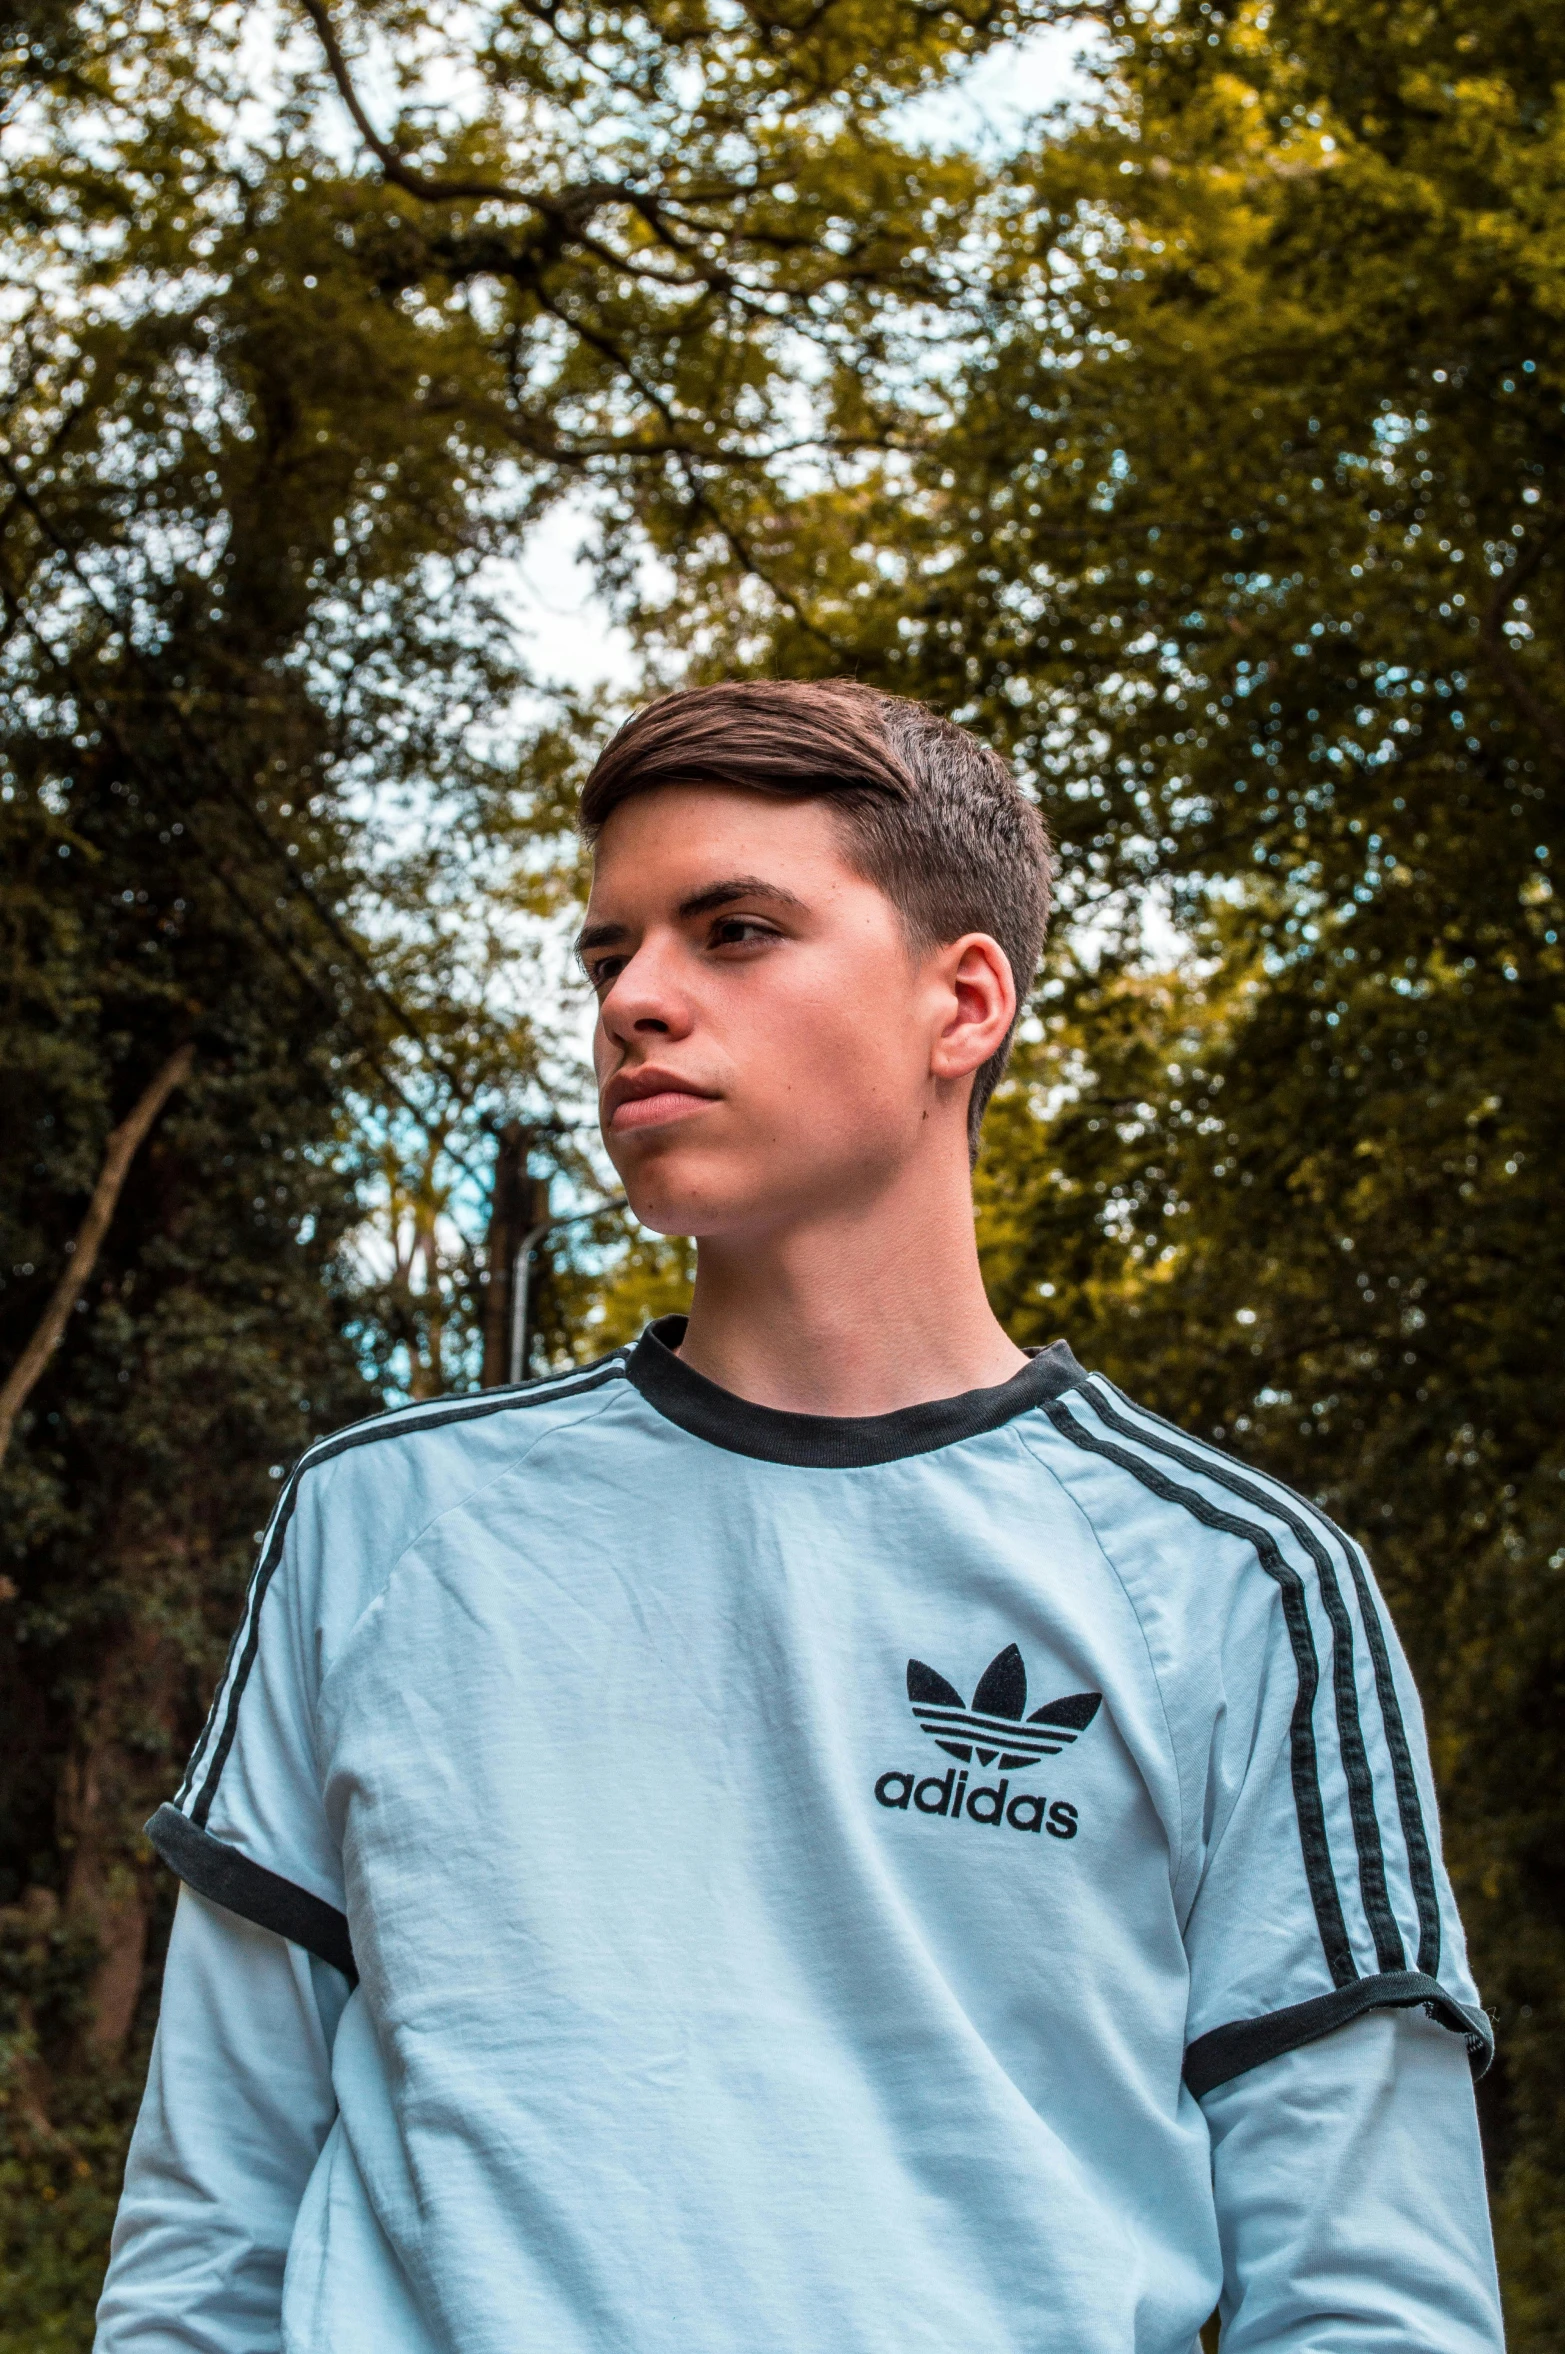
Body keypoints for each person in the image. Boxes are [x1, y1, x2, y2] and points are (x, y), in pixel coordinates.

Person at [97, 680, 1502, 2353]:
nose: (640, 1002)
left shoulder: (1239, 1589)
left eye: (736, 930)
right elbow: (207, 2233)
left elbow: (1372, 2301)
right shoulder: (382, 1522)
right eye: (610, 955)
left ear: (959, 1000)